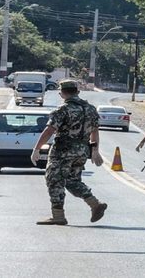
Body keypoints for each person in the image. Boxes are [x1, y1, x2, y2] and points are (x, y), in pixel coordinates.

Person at [31, 80, 107, 225]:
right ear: (77, 92)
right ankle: (95, 204)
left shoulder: (62, 110)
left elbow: (49, 131)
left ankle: (58, 216)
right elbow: (95, 131)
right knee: (73, 181)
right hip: (82, 151)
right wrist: (95, 151)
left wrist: (36, 149)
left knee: (54, 180)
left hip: (63, 151)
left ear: (62, 93)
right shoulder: (91, 109)